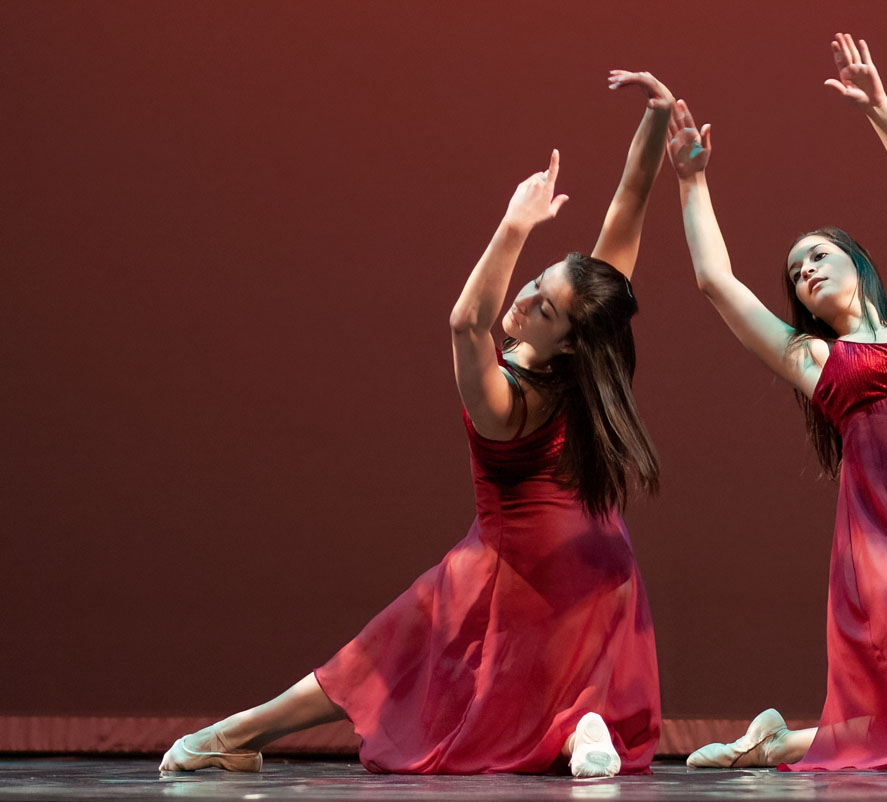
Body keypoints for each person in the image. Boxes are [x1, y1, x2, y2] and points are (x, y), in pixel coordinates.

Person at [159, 69, 675, 778]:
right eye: (536, 283)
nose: (525, 299)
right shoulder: (589, 358)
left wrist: (515, 225)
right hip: (603, 564)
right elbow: (628, 207)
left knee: (384, 652)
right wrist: (657, 116)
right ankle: (585, 726)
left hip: (524, 568)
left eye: (544, 307)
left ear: (568, 340)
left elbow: (466, 321)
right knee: (522, 671)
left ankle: (234, 733)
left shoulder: (511, 400)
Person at [668, 34, 887, 772]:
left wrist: (881, 111)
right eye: (795, 272)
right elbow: (716, 283)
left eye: (818, 256)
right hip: (879, 531)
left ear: (857, 261)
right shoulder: (816, 360)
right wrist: (692, 183)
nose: (805, 273)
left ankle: (777, 743)